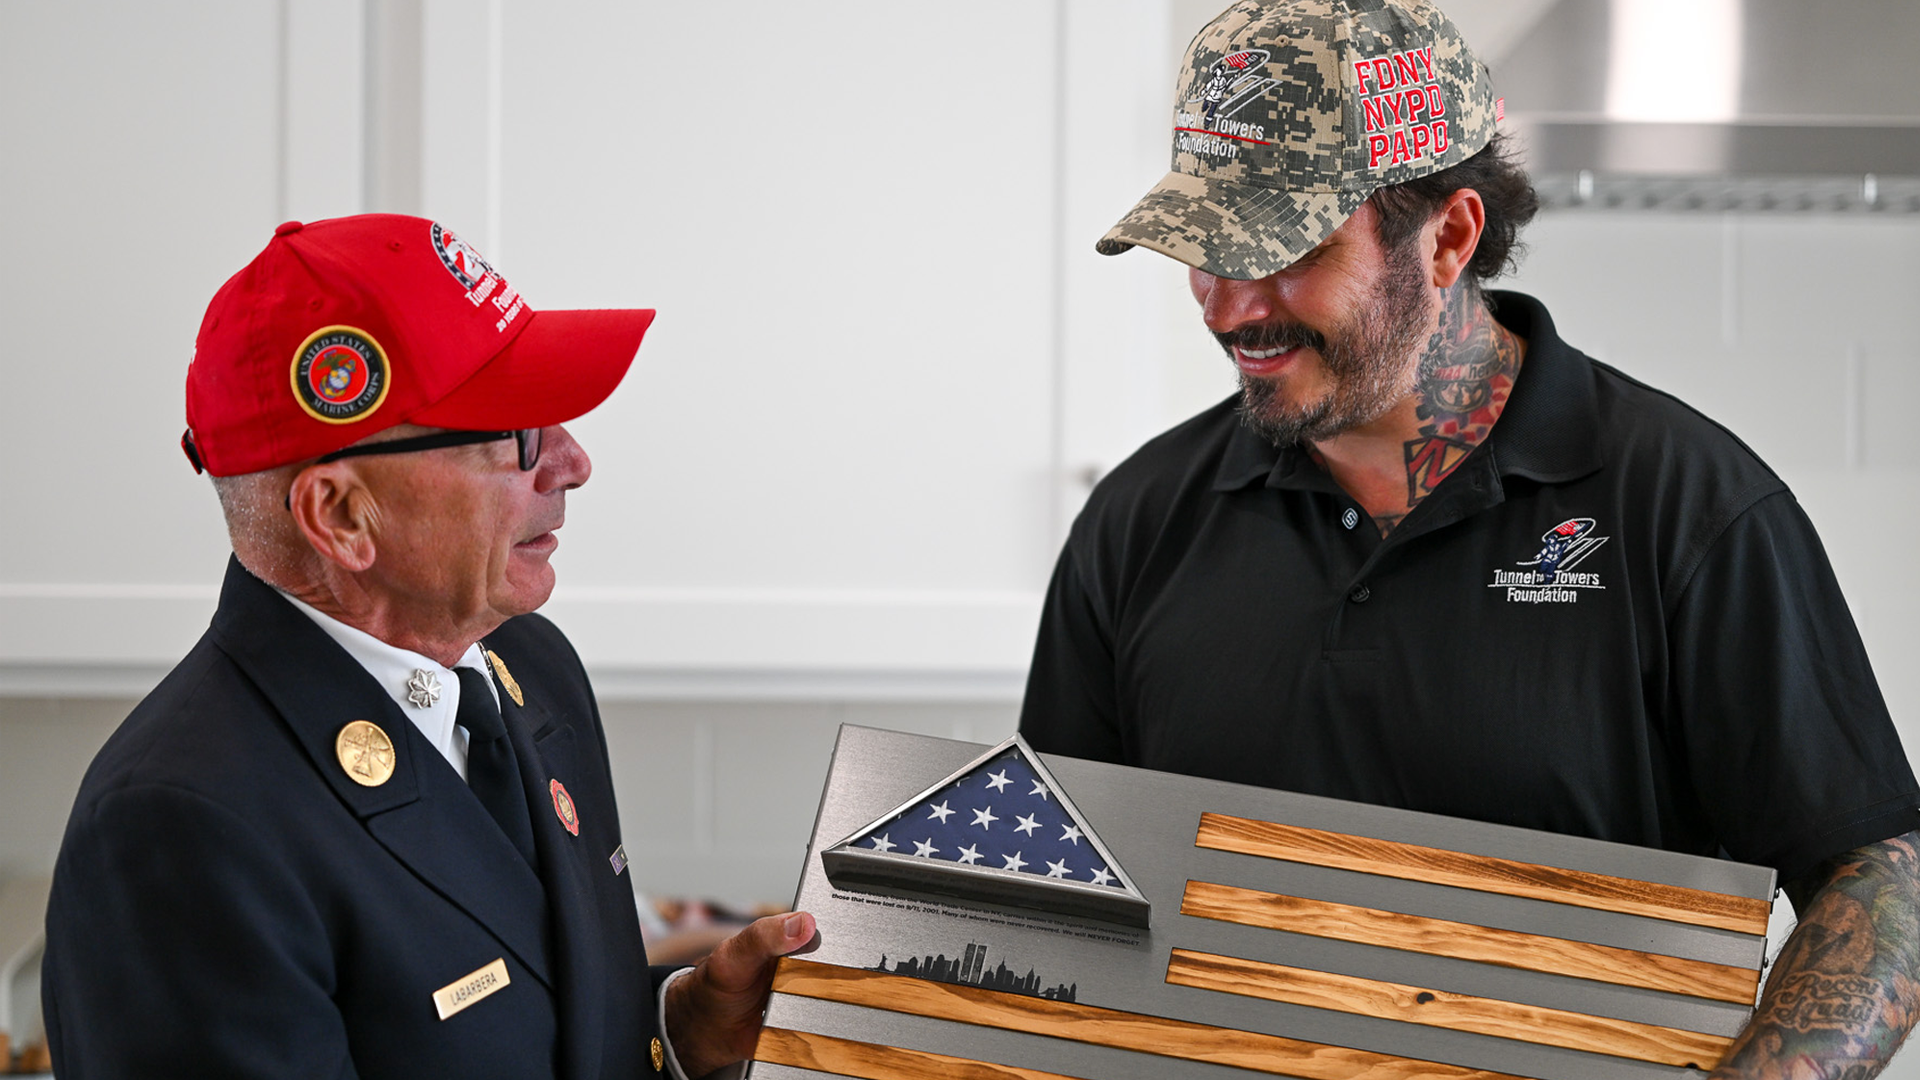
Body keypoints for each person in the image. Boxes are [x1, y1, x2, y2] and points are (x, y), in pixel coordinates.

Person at [1016, 1, 1920, 1077]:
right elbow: (1049, 894)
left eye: (1284, 253)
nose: (1228, 308)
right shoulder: (1138, 521)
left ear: (1447, 238)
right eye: (1204, 253)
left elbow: (1880, 872)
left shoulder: (1684, 506)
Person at [42, 214, 814, 1079]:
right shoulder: (180, 828)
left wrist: (678, 1033)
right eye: (516, 431)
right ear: (342, 515)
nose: (572, 461)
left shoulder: (535, 668)